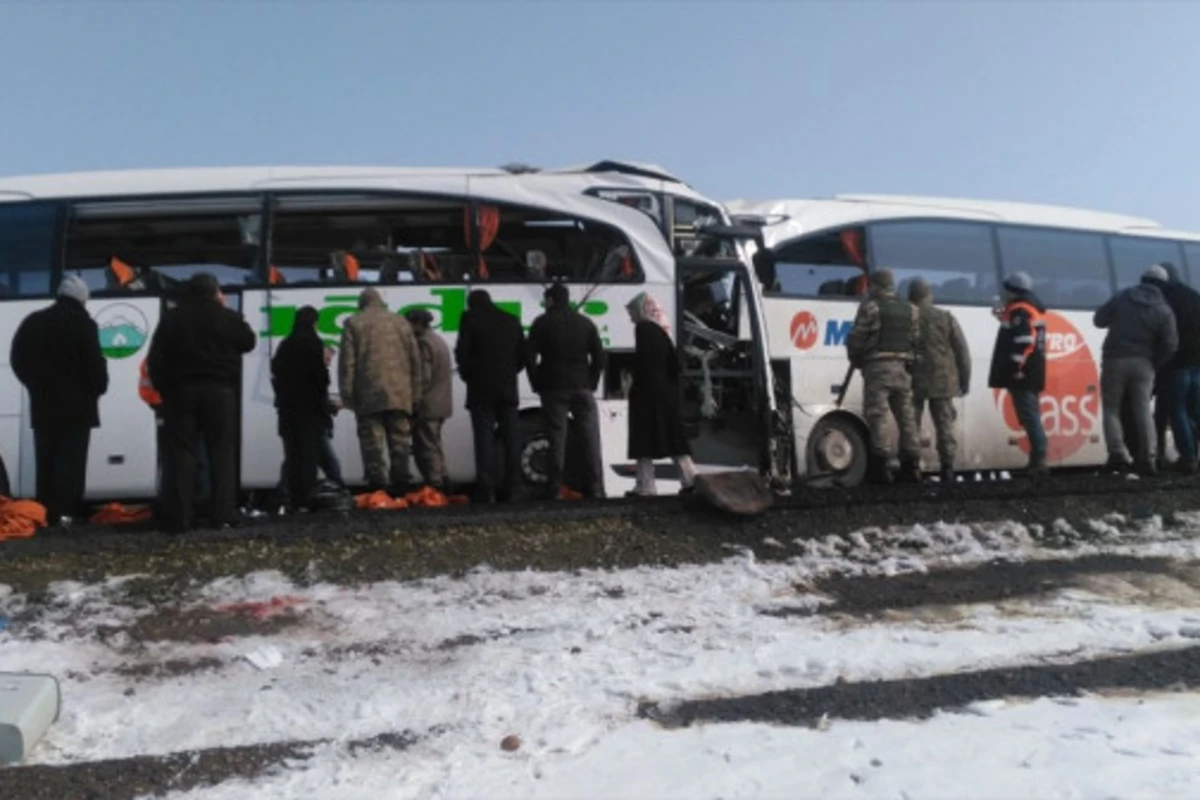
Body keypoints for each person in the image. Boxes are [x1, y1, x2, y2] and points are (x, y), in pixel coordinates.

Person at [147, 273, 256, 533]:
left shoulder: (172, 319)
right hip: (220, 392)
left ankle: (181, 517)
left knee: (182, 454)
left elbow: (156, 359)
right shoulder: (226, 317)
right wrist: (225, 309)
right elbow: (248, 341)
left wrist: (167, 390)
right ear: (215, 292)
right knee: (221, 453)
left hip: (181, 393)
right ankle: (222, 514)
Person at [10, 275, 109, 524]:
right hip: (78, 408)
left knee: (47, 461)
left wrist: (34, 386)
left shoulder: (34, 321)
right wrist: (96, 389)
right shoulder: (84, 324)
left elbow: (17, 359)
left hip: (43, 405)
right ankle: (66, 514)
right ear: (82, 298)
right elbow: (95, 367)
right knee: (71, 463)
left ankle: (46, 512)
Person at [1094, 264, 1178, 476]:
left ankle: (1118, 454)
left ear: (1142, 278)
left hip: (1115, 359)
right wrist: (1155, 362)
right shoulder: (1164, 309)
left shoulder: (1122, 297)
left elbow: (1099, 320)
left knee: (1111, 408)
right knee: (1142, 410)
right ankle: (1148, 458)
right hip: (1144, 363)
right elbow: (1171, 344)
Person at [338, 288, 423, 495]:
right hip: (400, 394)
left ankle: (378, 486)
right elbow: (415, 361)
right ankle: (402, 484)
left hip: (368, 394)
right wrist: (416, 394)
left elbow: (347, 363)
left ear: (362, 304)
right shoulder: (401, 322)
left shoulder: (353, 323)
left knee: (372, 443)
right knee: (400, 440)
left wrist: (347, 395)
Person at [527, 283, 607, 499]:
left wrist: (536, 383)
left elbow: (529, 357)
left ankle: (555, 490)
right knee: (590, 437)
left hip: (553, 387)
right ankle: (596, 488)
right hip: (582, 386)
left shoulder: (541, 323)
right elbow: (600, 358)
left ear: (551, 300)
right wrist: (591, 382)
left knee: (556, 438)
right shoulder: (585, 323)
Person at [846, 269, 922, 484]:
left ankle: (881, 467)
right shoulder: (911, 309)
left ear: (875, 285)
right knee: (906, 417)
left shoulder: (870, 307)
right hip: (904, 368)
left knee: (878, 416)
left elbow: (857, 338)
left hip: (878, 367)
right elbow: (916, 340)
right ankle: (912, 465)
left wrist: (856, 359)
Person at [455, 290, 526, 503]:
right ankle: (514, 488)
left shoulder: (469, 318)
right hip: (507, 389)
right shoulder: (511, 320)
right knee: (512, 440)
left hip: (480, 390)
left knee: (484, 440)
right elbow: (523, 355)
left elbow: (462, 353)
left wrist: (468, 376)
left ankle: (487, 491)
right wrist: (509, 373)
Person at [625, 292, 696, 496]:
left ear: (641, 310)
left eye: (631, 312)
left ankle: (646, 485)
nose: (630, 317)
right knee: (673, 437)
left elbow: (643, 363)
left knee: (643, 440)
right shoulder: (661, 331)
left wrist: (636, 384)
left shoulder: (643, 329)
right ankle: (690, 480)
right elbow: (675, 366)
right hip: (666, 393)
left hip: (647, 394)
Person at [907, 279, 971, 483]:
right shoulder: (945, 317)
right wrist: (965, 381)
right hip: (943, 379)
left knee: (911, 425)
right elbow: (962, 352)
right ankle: (947, 467)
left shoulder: (907, 318)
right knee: (944, 425)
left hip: (913, 378)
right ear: (928, 296)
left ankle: (912, 468)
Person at [989, 272, 1049, 476]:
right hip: (1031, 371)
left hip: (1024, 373)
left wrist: (1016, 369)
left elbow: (1024, 342)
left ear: (1012, 291)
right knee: (1029, 415)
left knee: (1030, 416)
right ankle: (1037, 460)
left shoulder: (1021, 310)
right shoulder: (1027, 308)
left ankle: (1039, 461)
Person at [271, 306, 331, 511]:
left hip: (288, 409)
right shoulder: (314, 344)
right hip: (310, 410)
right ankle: (305, 498)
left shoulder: (285, 344)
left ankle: (292, 497)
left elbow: (275, 372)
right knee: (309, 455)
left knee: (292, 454)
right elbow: (320, 379)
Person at [1143, 262, 1200, 473]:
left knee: (1177, 411)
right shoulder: (1194, 295)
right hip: (1197, 363)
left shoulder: (1166, 299)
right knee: (1195, 411)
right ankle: (1191, 454)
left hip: (1177, 363)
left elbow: (1166, 337)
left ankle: (1188, 457)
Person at [404, 308, 454, 491]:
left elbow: (422, 378)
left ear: (418, 323)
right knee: (434, 443)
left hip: (429, 405)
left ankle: (435, 484)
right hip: (441, 403)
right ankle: (444, 479)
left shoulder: (424, 343)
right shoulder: (438, 340)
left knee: (426, 447)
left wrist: (413, 402)